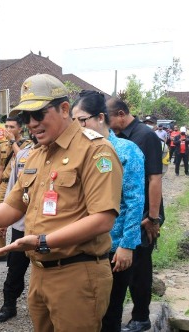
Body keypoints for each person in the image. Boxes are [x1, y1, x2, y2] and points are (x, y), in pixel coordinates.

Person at [0, 74, 122, 331]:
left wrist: (42, 241)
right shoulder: (37, 154)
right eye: (26, 117)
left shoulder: (95, 150)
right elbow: (16, 205)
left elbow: (103, 218)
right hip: (39, 272)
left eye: (38, 114)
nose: (32, 124)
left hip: (77, 273)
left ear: (63, 109)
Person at [71, 90, 145, 332]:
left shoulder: (126, 150)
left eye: (82, 120)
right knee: (83, 312)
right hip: (81, 246)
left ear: (100, 117)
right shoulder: (76, 152)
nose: (78, 127)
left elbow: (135, 200)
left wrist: (127, 245)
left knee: (109, 313)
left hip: (113, 248)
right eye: (74, 122)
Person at [106, 97, 164, 332]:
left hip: (144, 215)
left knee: (140, 268)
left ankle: (141, 317)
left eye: (107, 118)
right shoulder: (119, 138)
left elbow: (155, 178)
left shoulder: (144, 135)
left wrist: (152, 217)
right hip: (128, 214)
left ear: (120, 114)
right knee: (124, 269)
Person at [0, 134, 37, 323]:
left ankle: (46, 307)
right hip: (21, 223)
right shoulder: (23, 156)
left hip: (49, 228)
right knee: (15, 267)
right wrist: (3, 220)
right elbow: (12, 192)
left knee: (48, 269)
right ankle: (9, 305)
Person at [0, 116, 30, 263]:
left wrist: (13, 141)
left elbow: (22, 159)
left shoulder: (28, 145)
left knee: (15, 217)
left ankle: (16, 249)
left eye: (12, 127)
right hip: (5, 184)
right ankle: (1, 252)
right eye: (6, 127)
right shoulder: (2, 146)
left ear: (20, 128)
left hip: (19, 184)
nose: (8, 130)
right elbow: (0, 169)